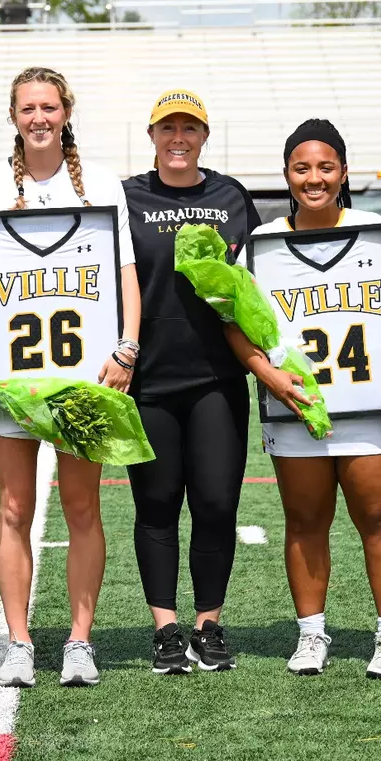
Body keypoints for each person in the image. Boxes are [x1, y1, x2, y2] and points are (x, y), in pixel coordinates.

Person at [0, 67, 141, 688]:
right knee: (14, 507)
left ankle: (80, 641)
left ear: (66, 112)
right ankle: (21, 642)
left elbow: (126, 275)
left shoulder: (102, 183)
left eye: (48, 107)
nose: (39, 118)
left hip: (82, 377)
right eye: (28, 107)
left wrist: (127, 348)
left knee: (83, 507)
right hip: (13, 379)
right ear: (13, 115)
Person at [230, 119, 381, 679]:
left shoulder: (378, 232)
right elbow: (235, 322)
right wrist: (266, 375)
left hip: (373, 403)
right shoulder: (263, 243)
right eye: (301, 168)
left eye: (325, 167)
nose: (313, 178)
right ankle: (312, 634)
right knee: (304, 519)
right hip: (298, 405)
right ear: (286, 174)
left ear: (344, 172)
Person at [120, 90, 261, 673]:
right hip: (146, 377)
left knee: (216, 503)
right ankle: (165, 628)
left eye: (190, 129)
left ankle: (209, 624)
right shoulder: (125, 197)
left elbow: (254, 283)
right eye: (167, 128)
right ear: (151, 135)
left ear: (205, 136)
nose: (178, 138)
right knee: (155, 505)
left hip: (216, 375)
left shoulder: (230, 197)